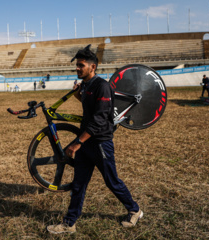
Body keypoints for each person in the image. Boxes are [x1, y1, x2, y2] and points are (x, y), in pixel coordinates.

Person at [47, 45, 142, 235]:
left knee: (111, 181)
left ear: (92, 67)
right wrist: (78, 96)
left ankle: (134, 210)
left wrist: (77, 142)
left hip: (100, 143)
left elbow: (99, 118)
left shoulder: (103, 86)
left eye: (81, 65)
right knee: (79, 184)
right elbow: (89, 106)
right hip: (86, 142)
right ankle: (69, 223)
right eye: (77, 65)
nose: (77, 68)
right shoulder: (87, 86)